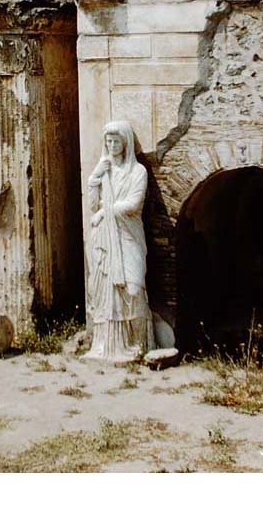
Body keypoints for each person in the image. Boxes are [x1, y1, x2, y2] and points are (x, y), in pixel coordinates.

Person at [84, 120, 155, 361]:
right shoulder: (103, 171)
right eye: (109, 141)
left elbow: (134, 204)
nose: (112, 145)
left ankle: (138, 344)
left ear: (126, 143)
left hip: (127, 235)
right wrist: (94, 178)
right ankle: (107, 346)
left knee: (134, 288)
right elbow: (93, 205)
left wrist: (106, 211)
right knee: (105, 292)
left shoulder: (138, 172)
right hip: (104, 237)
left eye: (117, 141)